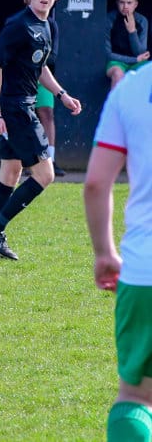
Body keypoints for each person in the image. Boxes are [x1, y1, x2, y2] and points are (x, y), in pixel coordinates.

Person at [0, 0, 82, 261]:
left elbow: (40, 67)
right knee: (45, 175)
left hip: (24, 104)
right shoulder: (18, 25)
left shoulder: (46, 25)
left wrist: (62, 95)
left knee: (10, 173)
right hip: (16, 108)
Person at [84, 63, 152, 442]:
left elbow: (96, 183)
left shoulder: (130, 90)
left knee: (137, 397)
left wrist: (104, 253)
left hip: (144, 268)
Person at [34, 15, 66, 177]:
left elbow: (52, 56)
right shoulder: (17, 22)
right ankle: (28, 162)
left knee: (47, 114)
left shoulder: (51, 24)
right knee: (23, 117)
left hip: (43, 76)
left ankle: (50, 159)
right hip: (21, 78)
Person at [106, 0, 150, 91]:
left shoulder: (142, 20)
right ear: (117, 3)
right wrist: (135, 59)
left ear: (135, 4)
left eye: (129, 3)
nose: (125, 6)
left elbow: (140, 52)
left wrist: (132, 31)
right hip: (116, 62)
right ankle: (116, 102)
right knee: (118, 73)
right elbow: (107, 54)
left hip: (136, 63)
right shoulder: (110, 19)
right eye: (122, 2)